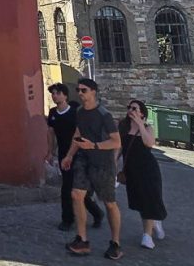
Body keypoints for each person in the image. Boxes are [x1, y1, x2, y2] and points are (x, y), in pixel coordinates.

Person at [61, 78, 123, 260]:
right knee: (76, 194)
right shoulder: (79, 111)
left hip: (103, 163)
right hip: (84, 160)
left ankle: (115, 243)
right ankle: (82, 239)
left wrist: (94, 146)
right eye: (79, 90)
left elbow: (116, 141)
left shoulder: (104, 115)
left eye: (84, 90)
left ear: (94, 92)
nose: (80, 93)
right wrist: (70, 155)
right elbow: (78, 134)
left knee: (109, 203)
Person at [45, 83, 104, 231]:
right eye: (53, 93)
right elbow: (51, 134)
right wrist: (51, 151)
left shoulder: (74, 112)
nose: (54, 96)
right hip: (63, 154)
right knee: (70, 188)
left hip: (78, 154)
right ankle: (87, 215)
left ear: (65, 95)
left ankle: (75, 218)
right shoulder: (52, 113)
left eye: (57, 93)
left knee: (72, 189)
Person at [118, 99, 167, 250]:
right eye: (129, 108)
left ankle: (147, 235)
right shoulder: (123, 128)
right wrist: (114, 164)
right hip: (132, 171)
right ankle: (154, 222)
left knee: (149, 200)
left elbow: (149, 143)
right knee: (139, 202)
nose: (131, 110)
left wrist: (140, 124)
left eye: (134, 108)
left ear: (142, 113)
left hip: (148, 170)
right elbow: (118, 148)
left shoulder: (147, 128)